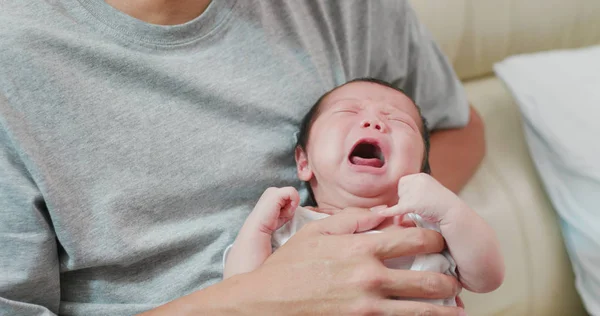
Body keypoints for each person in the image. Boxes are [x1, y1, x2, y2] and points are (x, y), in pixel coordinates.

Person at [0, 1, 485, 315]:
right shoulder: (15, 56)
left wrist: (391, 223)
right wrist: (260, 300)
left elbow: (459, 128)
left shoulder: (347, 10)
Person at [223, 79, 504, 306]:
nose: (374, 123)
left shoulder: (429, 224)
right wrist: (258, 227)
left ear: (422, 174)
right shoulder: (289, 224)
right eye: (348, 112)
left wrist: (451, 209)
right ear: (304, 162)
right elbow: (240, 293)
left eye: (399, 121)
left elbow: (487, 278)